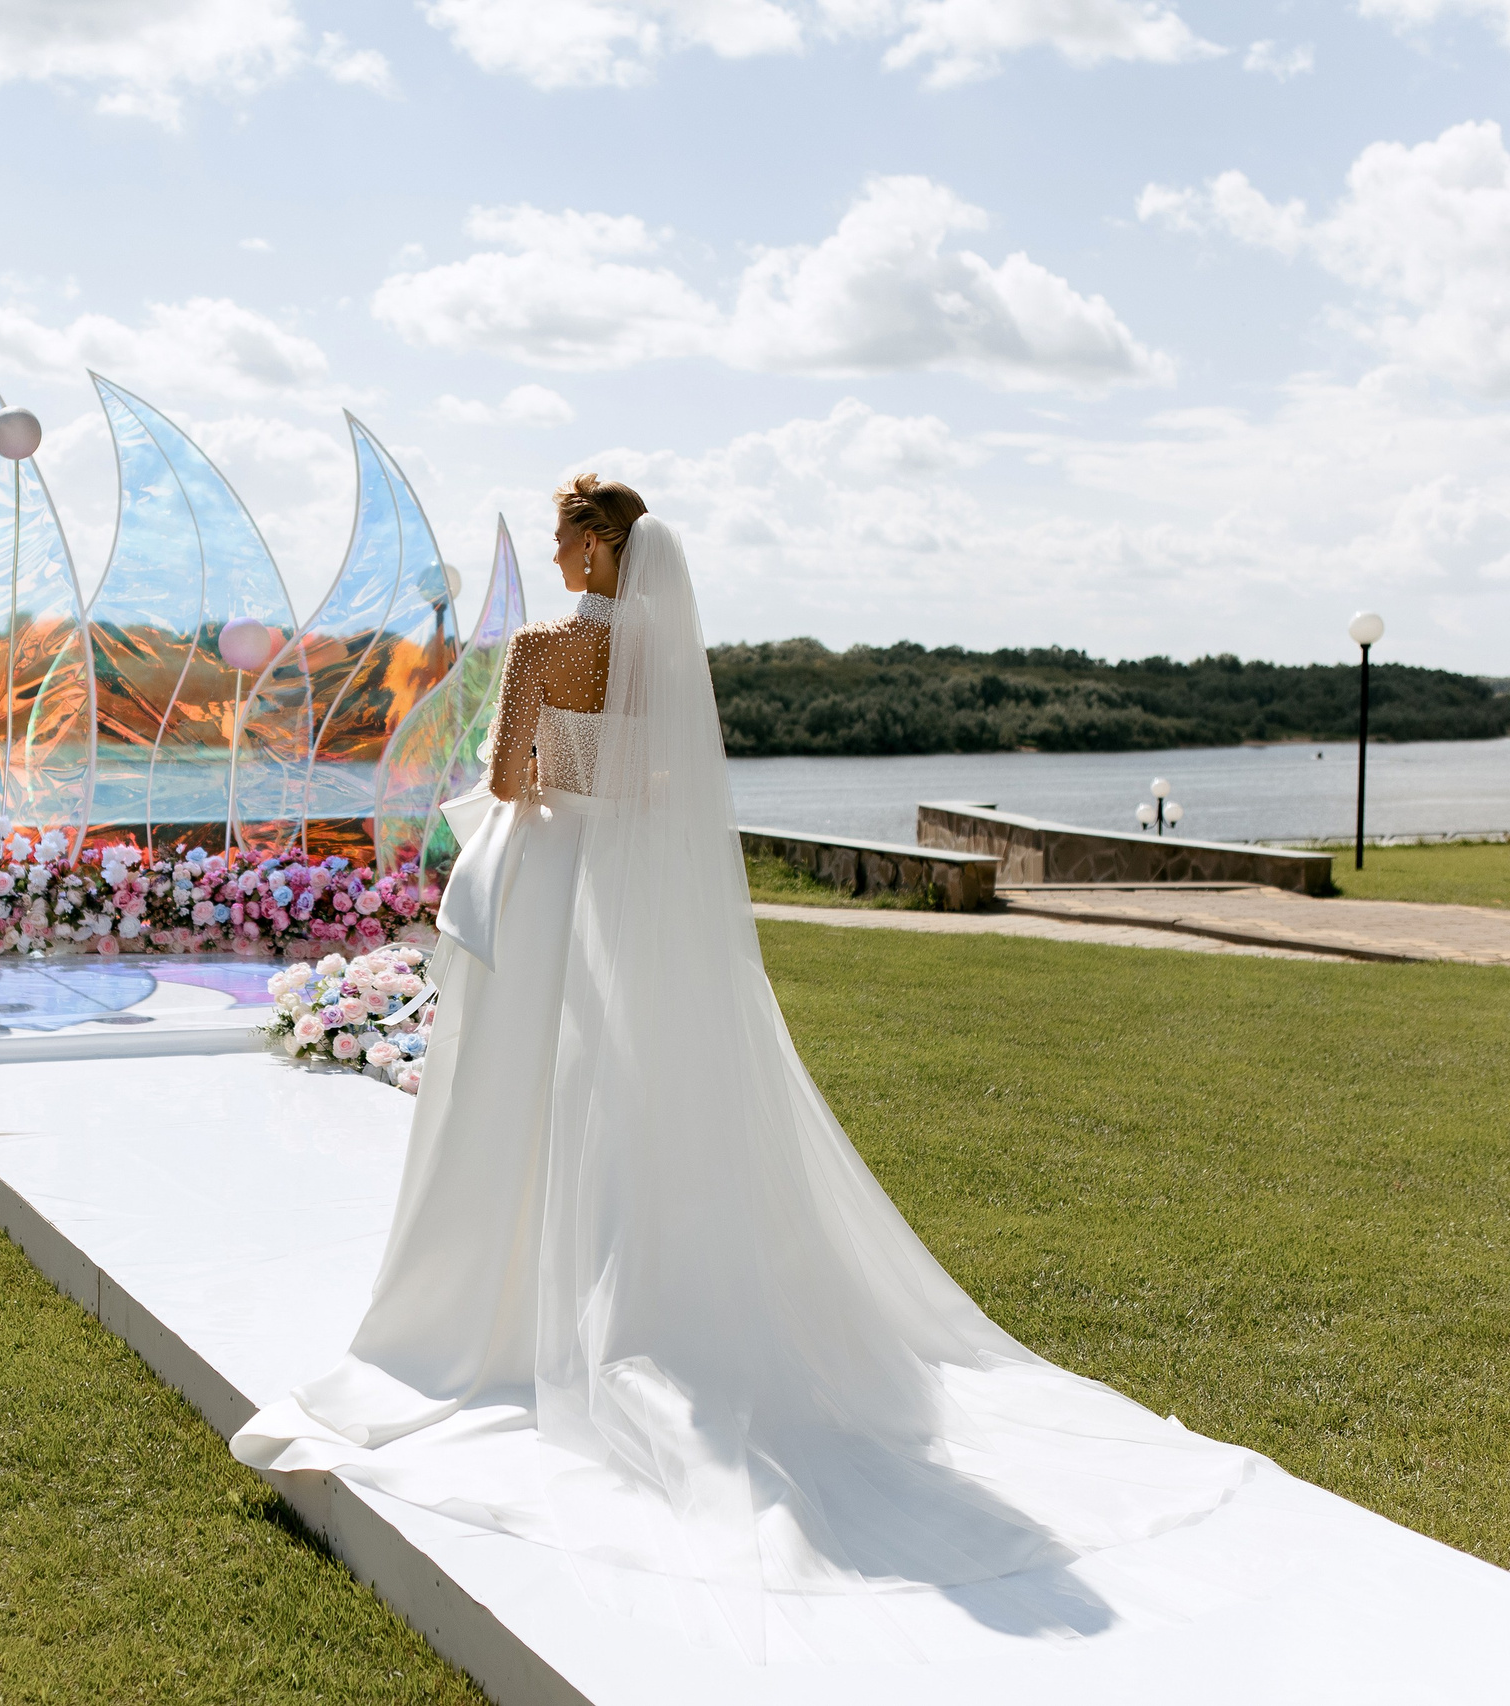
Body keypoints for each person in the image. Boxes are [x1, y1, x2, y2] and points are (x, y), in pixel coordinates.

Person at [233, 477, 1258, 1655]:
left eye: (566, 533)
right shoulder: (667, 660)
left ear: (601, 544)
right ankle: (631, 1291)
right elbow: (663, 786)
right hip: (623, 890)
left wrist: (554, 763)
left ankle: (503, 1304)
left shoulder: (538, 648)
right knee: (624, 1091)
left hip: (549, 879)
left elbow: (513, 782)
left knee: (527, 1090)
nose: (556, 548)